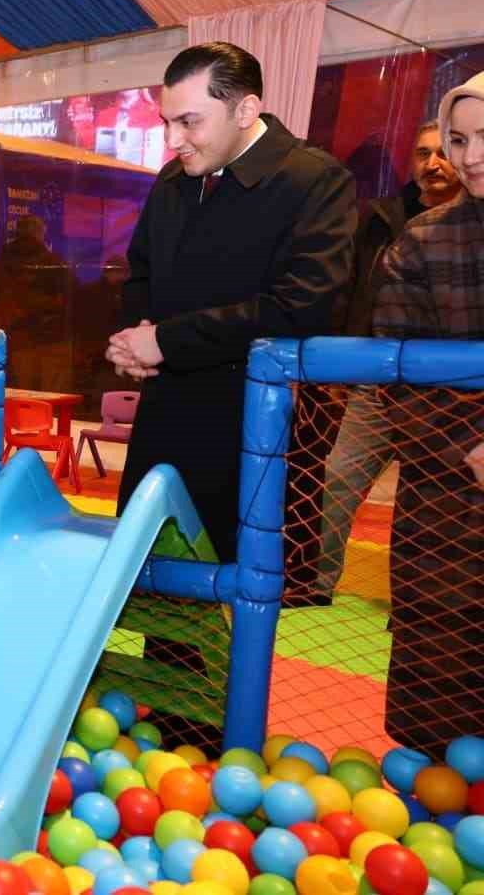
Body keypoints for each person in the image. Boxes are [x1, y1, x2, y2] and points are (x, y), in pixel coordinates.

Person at [107, 42, 355, 561]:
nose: (173, 140)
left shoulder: (313, 179)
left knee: (242, 583)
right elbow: (141, 271)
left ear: (245, 110)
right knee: (149, 576)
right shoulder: (172, 181)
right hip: (165, 418)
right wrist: (135, 337)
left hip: (256, 425)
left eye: (189, 122)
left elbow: (301, 304)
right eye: (167, 122)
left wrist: (166, 341)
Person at [370, 70, 484, 753]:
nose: (470, 156)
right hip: (445, 499)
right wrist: (471, 446)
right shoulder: (421, 240)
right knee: (440, 680)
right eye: (459, 139)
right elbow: (397, 371)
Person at [310, 120, 463, 601]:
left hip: (449, 395)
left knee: (431, 501)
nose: (432, 164)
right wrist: (342, 364)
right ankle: (315, 584)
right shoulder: (382, 220)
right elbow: (351, 293)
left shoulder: (472, 231)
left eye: (443, 152)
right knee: (338, 477)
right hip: (377, 382)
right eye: (422, 153)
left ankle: (419, 603)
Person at [0, 215, 73, 392]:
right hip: (52, 339)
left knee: (24, 395)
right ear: (39, 233)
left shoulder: (1, 264)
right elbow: (68, 298)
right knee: (52, 397)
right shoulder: (53, 263)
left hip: (18, 340)